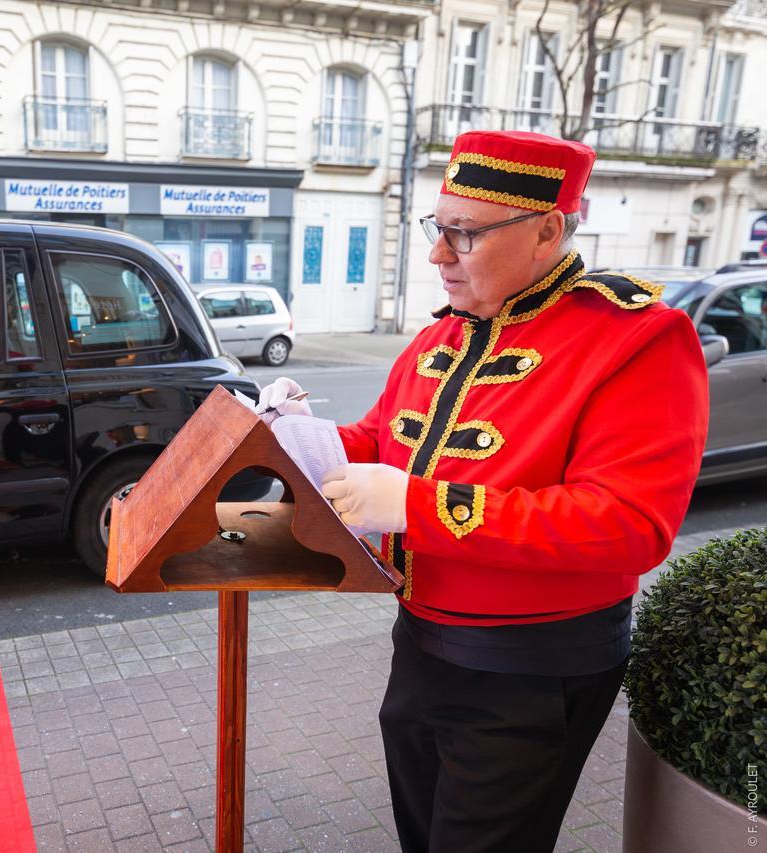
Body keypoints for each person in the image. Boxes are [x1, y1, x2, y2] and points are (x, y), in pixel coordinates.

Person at [257, 130, 709, 853]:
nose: (438, 254)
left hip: (531, 665)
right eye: (438, 229)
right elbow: (381, 441)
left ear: (547, 230)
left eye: (463, 234)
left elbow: (629, 524)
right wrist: (291, 433)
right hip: (420, 640)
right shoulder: (443, 335)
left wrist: (416, 505)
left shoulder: (637, 337)